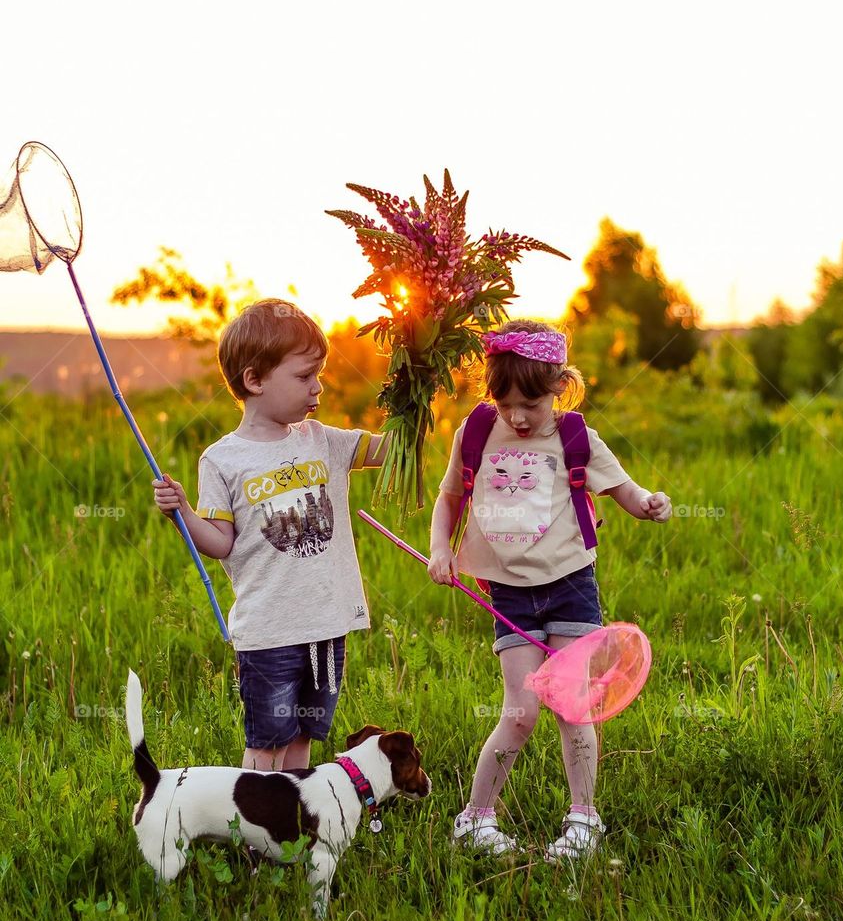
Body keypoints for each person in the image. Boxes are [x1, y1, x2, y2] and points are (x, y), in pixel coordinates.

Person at [428, 319, 671, 861]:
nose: (516, 416)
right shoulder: (475, 430)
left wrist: (650, 503)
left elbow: (625, 491)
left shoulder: (575, 436)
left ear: (559, 386)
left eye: (530, 405)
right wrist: (442, 548)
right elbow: (448, 499)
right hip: (509, 593)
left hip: (569, 586)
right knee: (520, 712)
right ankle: (475, 819)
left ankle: (584, 821)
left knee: (571, 706)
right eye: (506, 402)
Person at [153, 298, 387, 772]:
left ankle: (292, 829)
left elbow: (390, 451)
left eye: (318, 374)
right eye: (304, 377)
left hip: (325, 625)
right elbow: (221, 542)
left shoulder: (323, 441)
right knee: (267, 742)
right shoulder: (222, 460)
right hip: (268, 632)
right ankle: (254, 829)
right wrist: (183, 515)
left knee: (303, 737)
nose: (317, 388)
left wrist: (414, 399)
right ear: (255, 380)